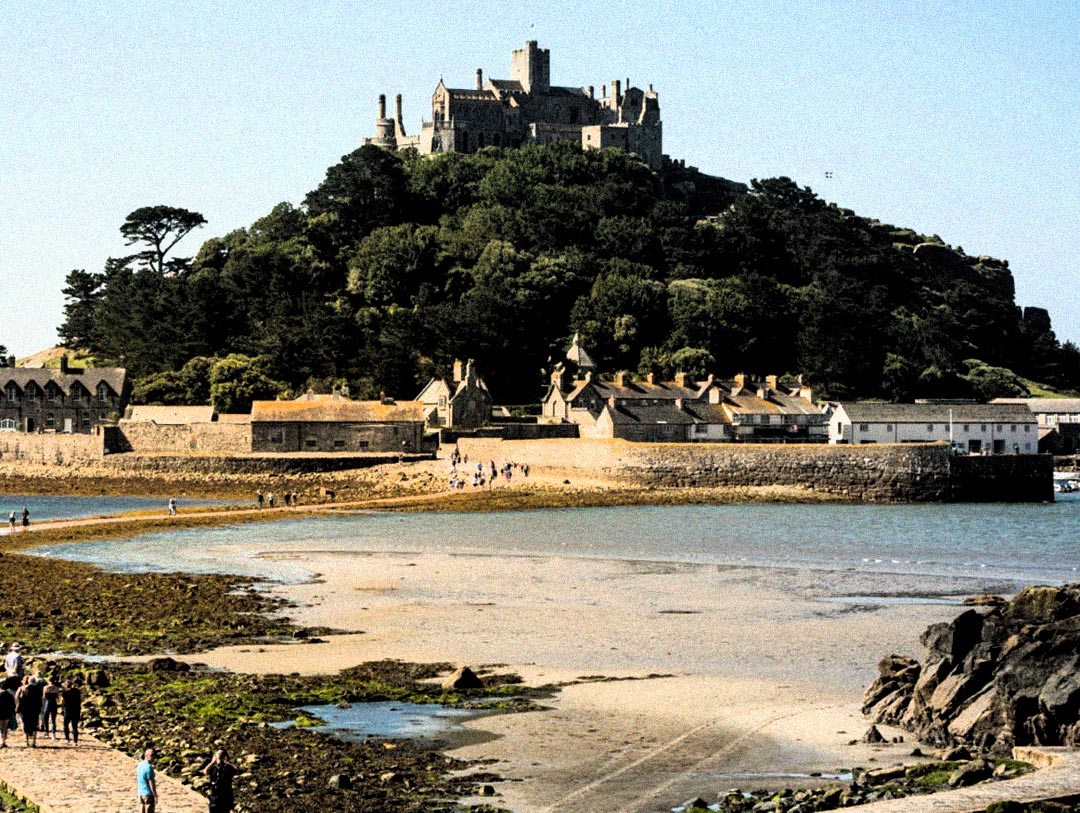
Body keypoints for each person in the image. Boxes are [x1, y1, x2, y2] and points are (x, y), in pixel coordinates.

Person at [206, 748, 238, 812]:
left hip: (225, 796)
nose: (220, 755)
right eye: (219, 753)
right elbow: (206, 771)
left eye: (222, 754)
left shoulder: (228, 767)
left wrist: (226, 761)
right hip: (215, 795)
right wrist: (212, 762)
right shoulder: (213, 767)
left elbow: (236, 770)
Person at [15, 675, 41, 747]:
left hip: (25, 708)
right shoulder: (38, 688)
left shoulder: (23, 688)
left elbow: (16, 696)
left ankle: (26, 741)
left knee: (26, 724)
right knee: (34, 725)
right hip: (35, 708)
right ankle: (34, 742)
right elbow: (40, 699)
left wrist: (18, 704)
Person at [60, 680, 81, 746]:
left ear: (66, 685)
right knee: (75, 726)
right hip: (76, 710)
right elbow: (81, 699)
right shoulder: (77, 691)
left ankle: (67, 739)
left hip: (68, 710)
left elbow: (62, 701)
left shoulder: (65, 692)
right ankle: (75, 741)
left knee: (66, 725)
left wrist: (62, 708)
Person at [137, 748, 158, 812]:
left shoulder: (140, 765)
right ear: (146, 755)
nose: (153, 757)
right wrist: (155, 795)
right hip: (148, 794)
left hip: (140, 793)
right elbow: (151, 783)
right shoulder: (149, 767)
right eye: (152, 755)